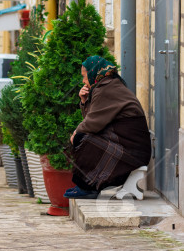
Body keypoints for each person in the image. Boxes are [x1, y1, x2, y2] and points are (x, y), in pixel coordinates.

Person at [64, 56, 151, 199]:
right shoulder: (106, 85)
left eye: (85, 77)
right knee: (83, 137)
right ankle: (87, 186)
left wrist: (76, 133)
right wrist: (84, 101)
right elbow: (93, 119)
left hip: (132, 150)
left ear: (93, 73)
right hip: (128, 145)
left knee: (81, 138)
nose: (84, 81)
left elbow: (92, 123)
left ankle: (89, 187)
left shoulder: (106, 88)